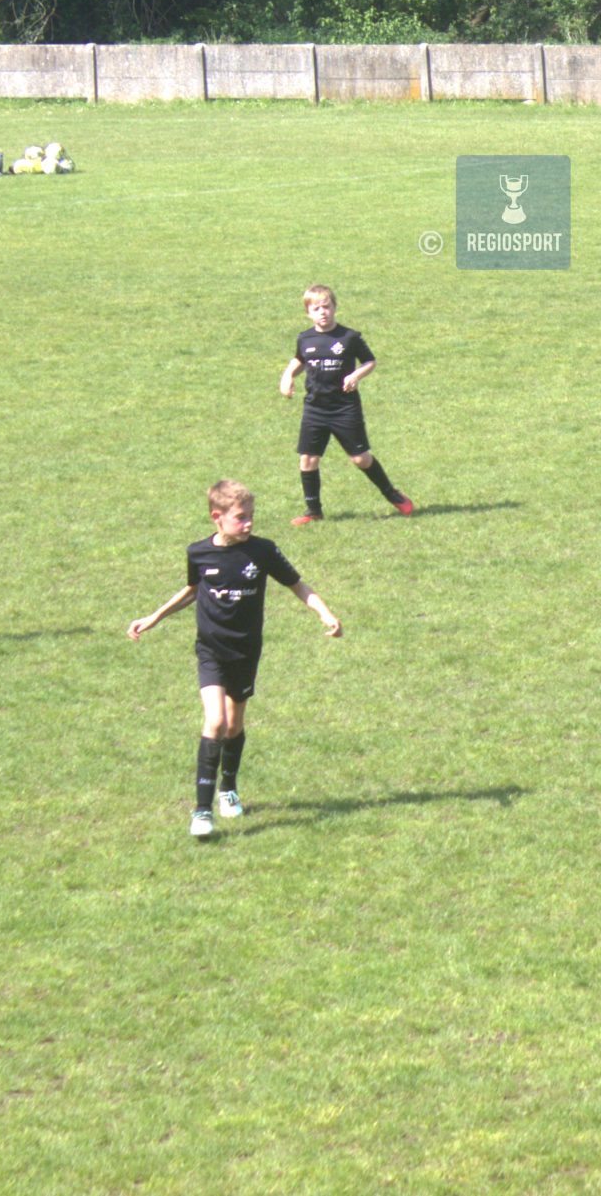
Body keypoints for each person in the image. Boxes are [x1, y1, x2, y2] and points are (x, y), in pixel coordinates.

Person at [127, 480, 343, 839]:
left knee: (232, 727)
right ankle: (201, 810)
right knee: (214, 721)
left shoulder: (263, 552)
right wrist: (153, 617)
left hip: (246, 650)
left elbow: (298, 586)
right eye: (241, 518)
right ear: (217, 517)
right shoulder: (199, 553)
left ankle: (229, 787)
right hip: (211, 651)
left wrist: (325, 613)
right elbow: (191, 592)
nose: (249, 524)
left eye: (251, 517)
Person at [279, 284, 414, 523]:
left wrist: (356, 375)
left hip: (344, 408)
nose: (322, 312)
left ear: (335, 308)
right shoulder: (305, 338)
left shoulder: (349, 337)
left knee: (360, 458)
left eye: (326, 307)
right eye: (316, 308)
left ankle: (392, 494)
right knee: (308, 459)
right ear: (308, 313)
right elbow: (300, 359)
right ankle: (314, 512)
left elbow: (369, 361)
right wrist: (288, 376)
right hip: (314, 408)